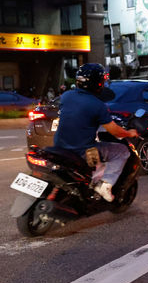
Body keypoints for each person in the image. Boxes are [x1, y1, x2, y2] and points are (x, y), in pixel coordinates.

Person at [53, 63, 138, 202]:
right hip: (82, 151)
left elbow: (79, 117)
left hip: (59, 147)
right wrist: (129, 133)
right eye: (102, 81)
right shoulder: (97, 105)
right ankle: (105, 185)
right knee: (122, 151)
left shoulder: (66, 96)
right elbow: (114, 130)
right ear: (98, 84)